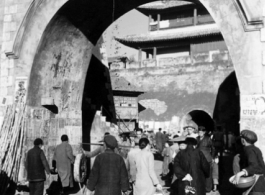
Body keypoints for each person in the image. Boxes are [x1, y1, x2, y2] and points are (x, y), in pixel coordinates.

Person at [232, 130, 265, 195]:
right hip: (260, 184)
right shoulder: (256, 149)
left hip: (255, 185)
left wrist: (239, 174)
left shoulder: (249, 150)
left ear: (243, 140)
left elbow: (254, 165)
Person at [197, 126, 215, 192]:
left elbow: (213, 148)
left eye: (201, 132)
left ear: (204, 132)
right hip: (199, 159)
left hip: (207, 159)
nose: (200, 133)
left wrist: (213, 157)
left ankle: (208, 188)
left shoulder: (208, 139)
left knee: (208, 174)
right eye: (199, 132)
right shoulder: (197, 139)